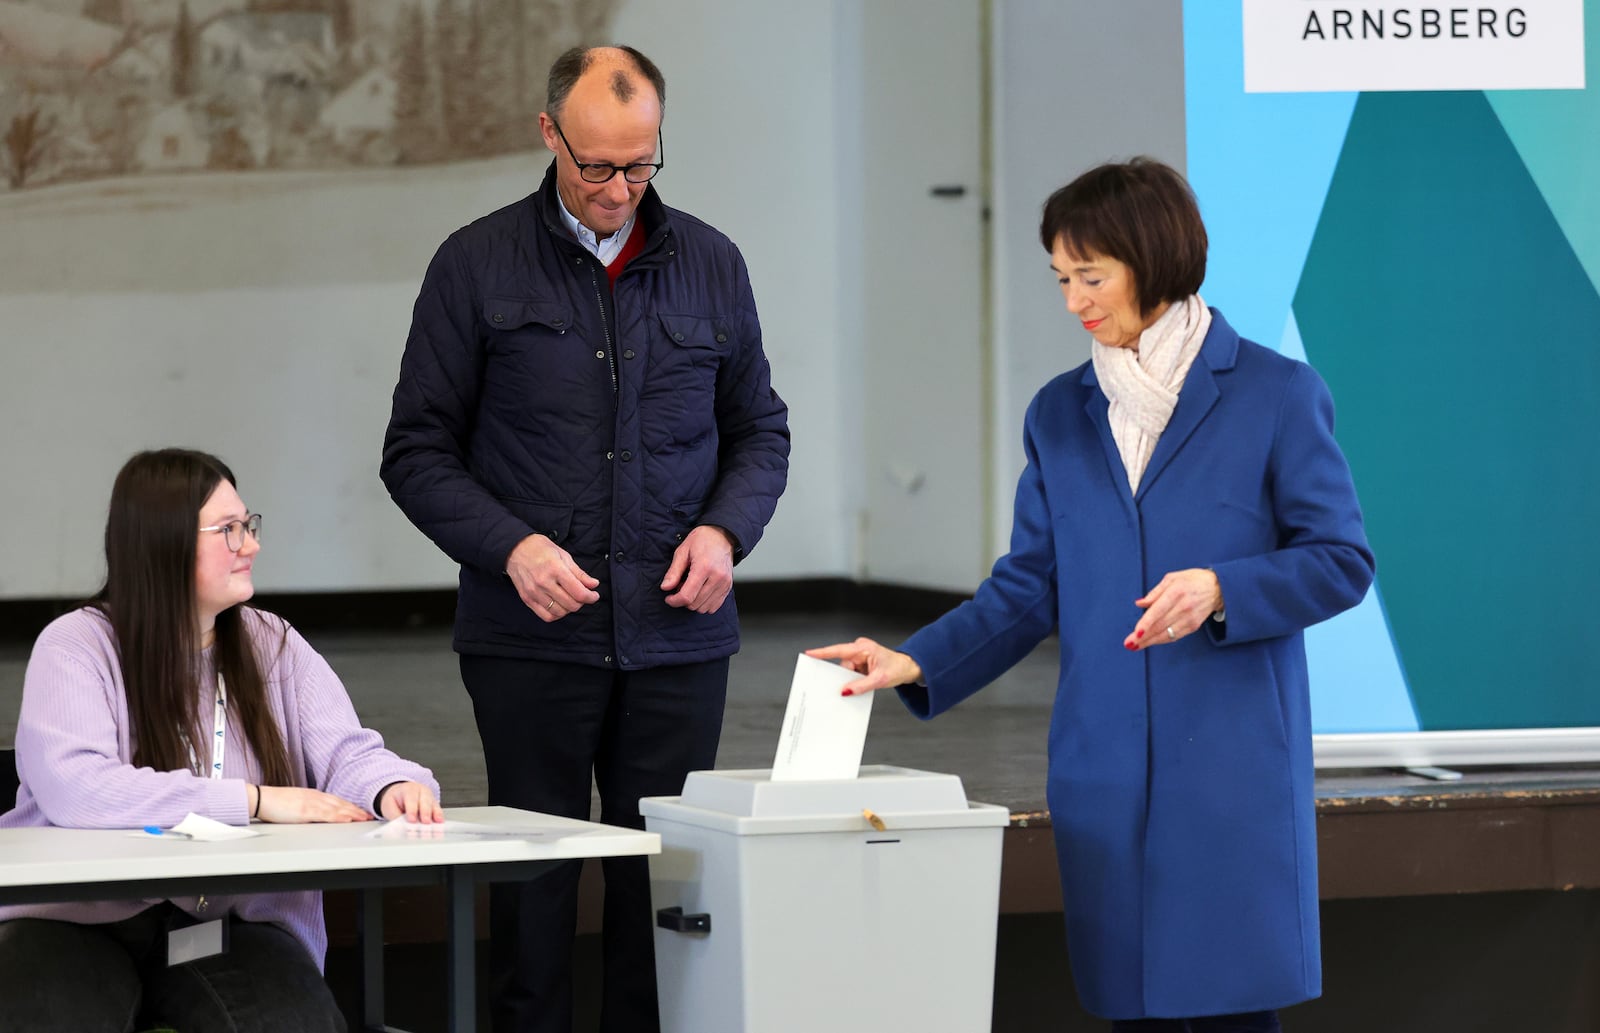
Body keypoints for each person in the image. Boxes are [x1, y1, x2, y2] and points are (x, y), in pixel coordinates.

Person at [809, 158, 1374, 1032]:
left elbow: (1341, 558)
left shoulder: (1276, 394)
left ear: (1152, 260)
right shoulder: (1059, 412)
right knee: (1130, 1008)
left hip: (1228, 774)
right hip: (1104, 771)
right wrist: (915, 656)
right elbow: (1031, 585)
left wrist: (1226, 586)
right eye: (1061, 277)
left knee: (1232, 1010)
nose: (1073, 299)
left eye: (1091, 275)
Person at [380, 44, 790, 1033]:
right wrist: (511, 547)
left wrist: (726, 531)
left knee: (666, 890)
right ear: (549, 134)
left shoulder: (712, 262)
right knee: (534, 892)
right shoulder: (474, 264)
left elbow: (759, 433)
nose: (617, 188)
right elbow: (416, 451)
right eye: (595, 165)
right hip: (529, 640)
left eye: (641, 164)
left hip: (678, 637)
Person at [0, 448, 443, 1033]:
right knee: (44, 1013)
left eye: (248, 525)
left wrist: (392, 787)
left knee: (294, 1021)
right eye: (229, 530)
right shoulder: (78, 644)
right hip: (78, 919)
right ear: (164, 541)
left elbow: (347, 751)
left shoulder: (270, 642)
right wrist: (256, 800)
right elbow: (79, 789)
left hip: (218, 923)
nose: (251, 544)